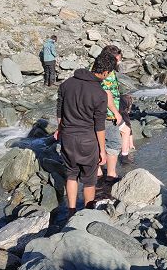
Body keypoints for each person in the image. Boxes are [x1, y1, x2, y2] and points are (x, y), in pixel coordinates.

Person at [55, 52, 117, 216]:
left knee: (71, 175)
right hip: (88, 141)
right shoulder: (100, 94)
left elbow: (59, 112)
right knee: (89, 180)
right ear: (106, 72)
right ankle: (88, 212)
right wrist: (102, 151)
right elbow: (99, 126)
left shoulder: (66, 84)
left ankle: (71, 210)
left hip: (67, 137)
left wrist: (60, 129)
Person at [98, 45, 134, 180]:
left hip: (106, 112)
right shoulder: (104, 71)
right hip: (106, 114)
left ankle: (101, 175)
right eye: (117, 60)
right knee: (112, 143)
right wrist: (115, 113)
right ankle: (110, 175)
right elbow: (106, 93)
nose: (118, 63)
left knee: (103, 144)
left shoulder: (105, 69)